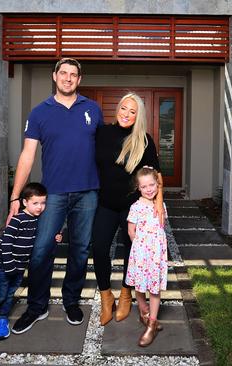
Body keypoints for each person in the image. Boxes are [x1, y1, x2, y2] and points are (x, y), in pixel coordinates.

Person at [9, 58, 104, 334]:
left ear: (79, 79)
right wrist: (16, 197)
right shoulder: (40, 113)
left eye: (73, 74)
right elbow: (27, 155)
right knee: (40, 251)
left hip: (87, 193)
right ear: (54, 76)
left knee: (80, 250)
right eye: (63, 73)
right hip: (54, 195)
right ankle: (36, 307)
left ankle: (71, 300)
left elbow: (106, 149)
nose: (68, 78)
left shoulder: (92, 109)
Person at [92, 93, 164, 326]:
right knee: (100, 248)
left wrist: (159, 206)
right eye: (124, 108)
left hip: (133, 208)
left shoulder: (143, 140)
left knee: (132, 251)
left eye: (132, 111)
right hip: (105, 203)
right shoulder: (102, 132)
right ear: (118, 108)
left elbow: (157, 176)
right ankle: (106, 297)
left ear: (138, 115)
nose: (126, 114)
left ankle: (125, 294)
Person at [0, 182, 48, 341]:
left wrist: (56, 236)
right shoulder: (18, 219)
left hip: (19, 267)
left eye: (43, 203)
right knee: (0, 294)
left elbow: (37, 238)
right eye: (35, 203)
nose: (40, 207)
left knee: (10, 294)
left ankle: (2, 319)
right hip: (4, 266)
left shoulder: (37, 220)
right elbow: (5, 243)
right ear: (25, 202)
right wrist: (9, 265)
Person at [126, 166, 168, 347]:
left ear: (158, 185)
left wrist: (156, 250)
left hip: (157, 255)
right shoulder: (135, 207)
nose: (149, 189)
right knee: (139, 285)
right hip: (141, 254)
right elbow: (131, 232)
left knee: (155, 289)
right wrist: (141, 250)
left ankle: (152, 323)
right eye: (144, 187)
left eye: (152, 185)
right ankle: (144, 313)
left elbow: (161, 228)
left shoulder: (161, 205)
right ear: (138, 188)